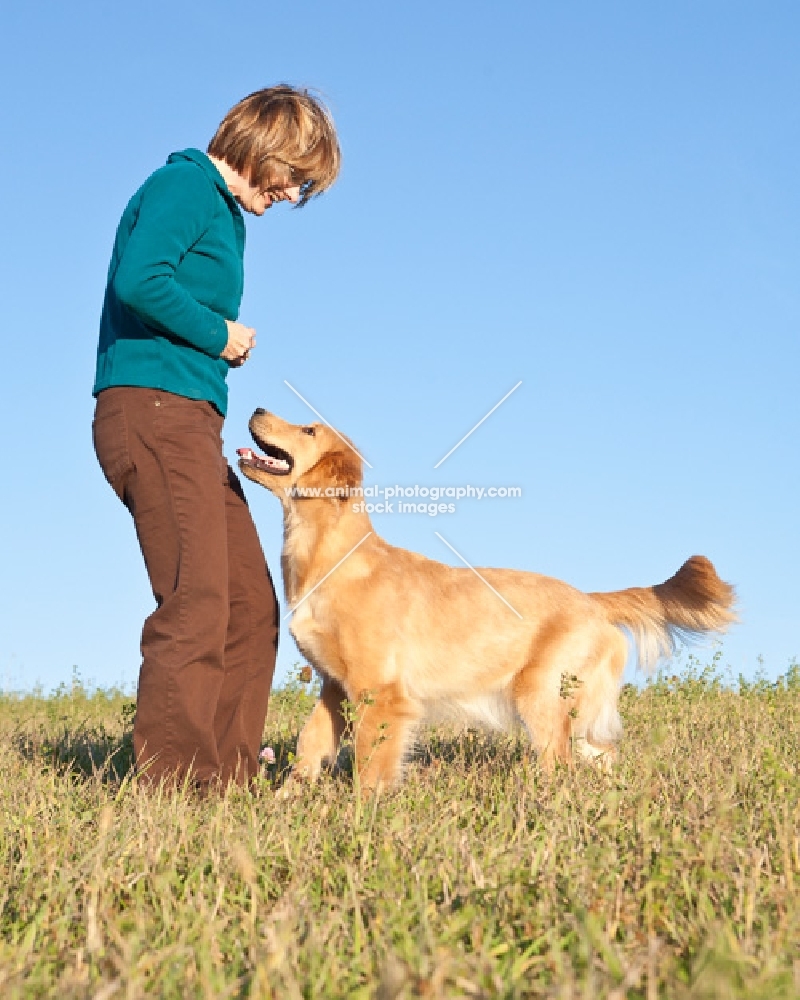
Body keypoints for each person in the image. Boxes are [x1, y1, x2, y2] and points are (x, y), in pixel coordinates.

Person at [92, 86, 341, 790]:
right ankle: (176, 786)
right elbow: (140, 278)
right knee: (197, 599)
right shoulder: (185, 185)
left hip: (190, 421)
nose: (294, 195)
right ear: (266, 147)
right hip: (153, 411)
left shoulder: (223, 212)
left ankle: (226, 777)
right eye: (296, 176)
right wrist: (218, 334)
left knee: (250, 605)